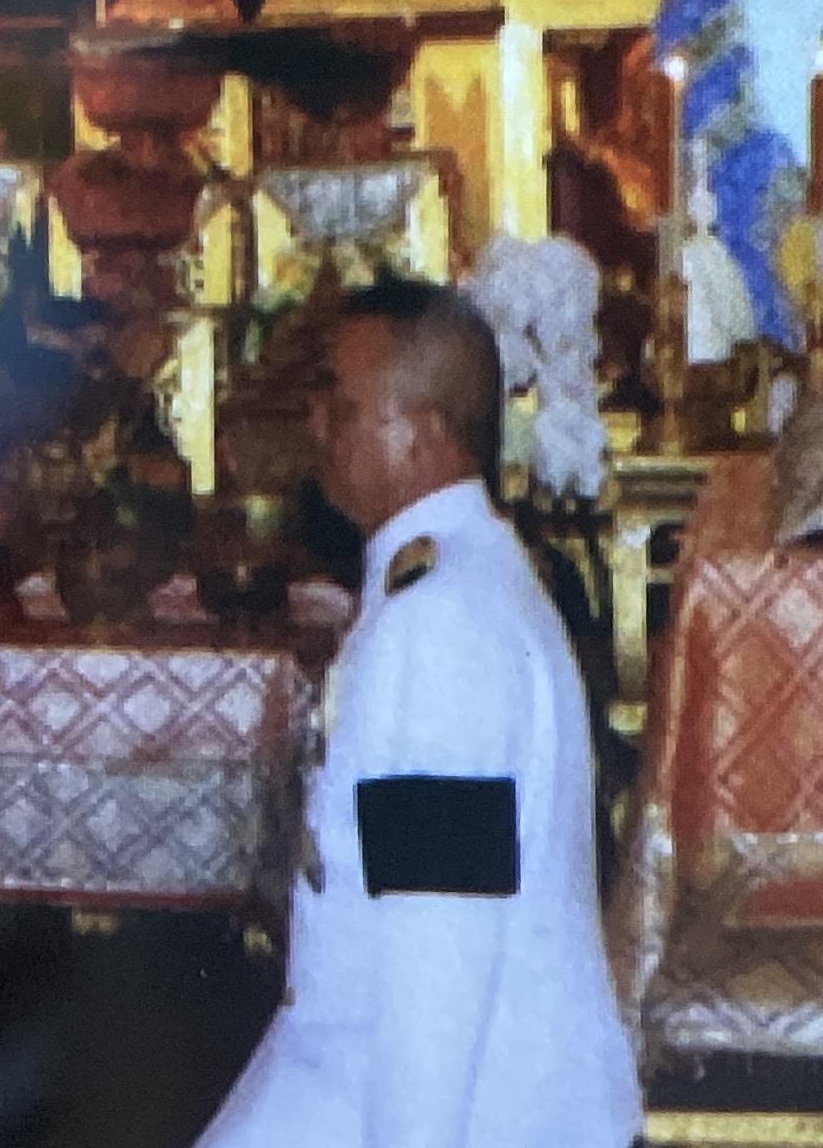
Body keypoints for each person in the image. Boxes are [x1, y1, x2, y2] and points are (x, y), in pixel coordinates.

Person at [199, 280, 643, 1148]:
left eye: (344, 402)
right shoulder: (456, 583)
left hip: (465, 1111)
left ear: (427, 430)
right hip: (350, 1078)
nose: (318, 424)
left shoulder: (440, 625)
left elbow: (441, 950)